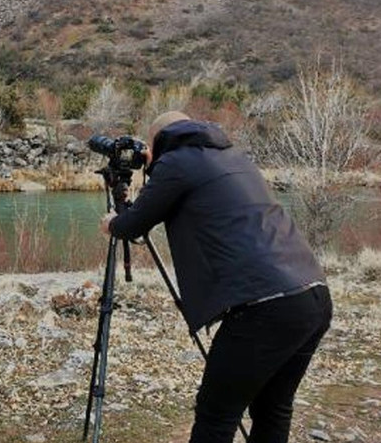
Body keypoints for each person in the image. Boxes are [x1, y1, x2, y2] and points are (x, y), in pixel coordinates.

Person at [99, 111, 332, 443]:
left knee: (216, 414)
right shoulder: (233, 156)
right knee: (273, 409)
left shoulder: (175, 162)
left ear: (158, 142)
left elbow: (131, 225)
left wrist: (112, 221)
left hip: (264, 307)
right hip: (313, 295)